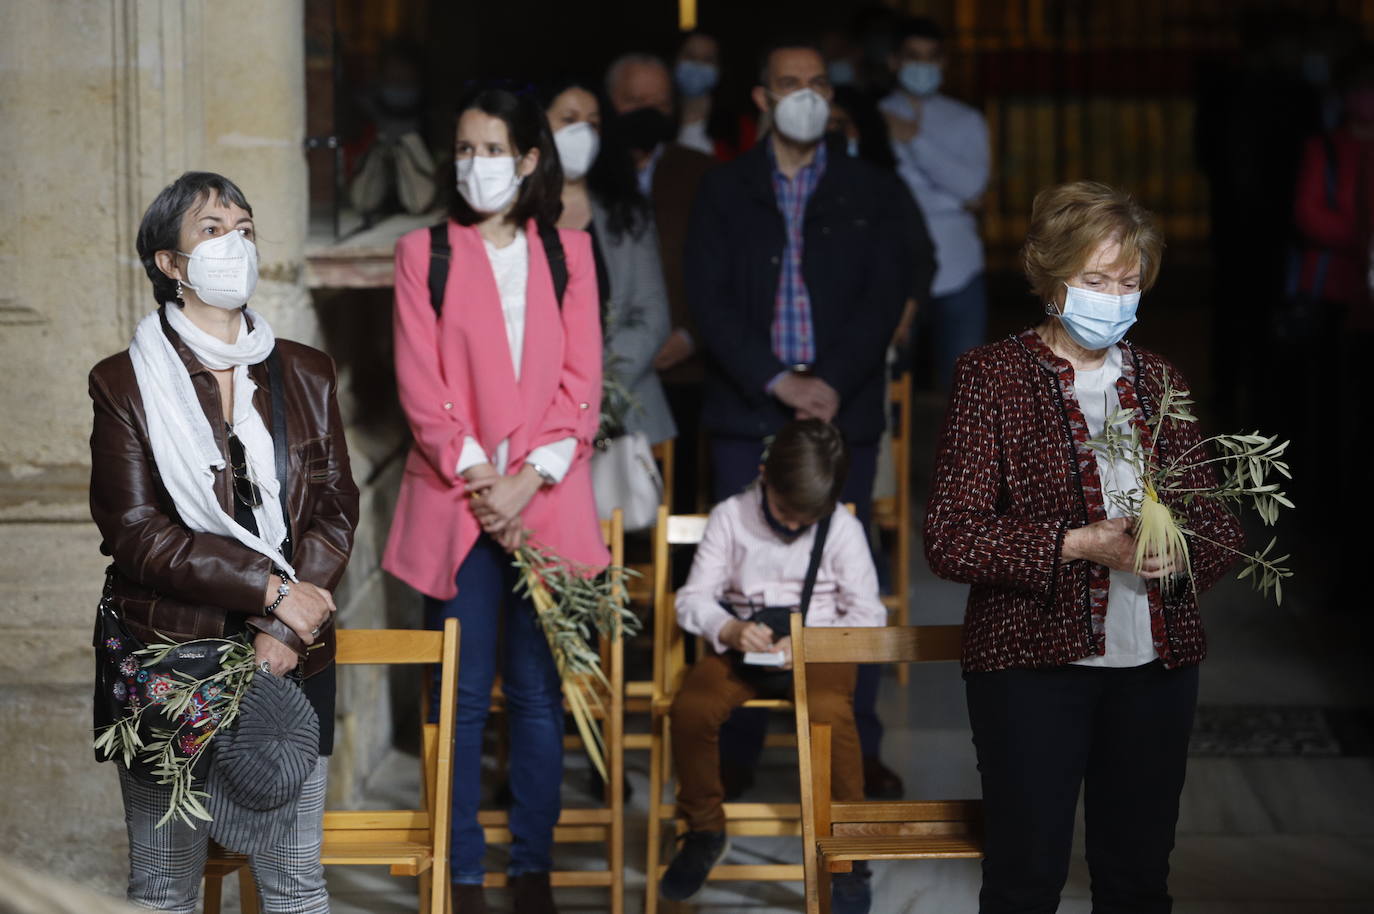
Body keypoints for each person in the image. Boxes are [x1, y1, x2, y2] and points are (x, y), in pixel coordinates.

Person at [924, 181, 1246, 914]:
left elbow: (1222, 531)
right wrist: (1076, 544)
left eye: (1127, 282)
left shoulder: (1161, 382)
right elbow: (950, 537)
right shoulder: (991, 378)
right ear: (1049, 278)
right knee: (1026, 879)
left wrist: (1180, 552)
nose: (1114, 296)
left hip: (1156, 667)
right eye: (1095, 280)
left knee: (1137, 880)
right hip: (1031, 667)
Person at [89, 171, 359, 913]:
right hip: (168, 654)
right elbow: (137, 535)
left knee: (295, 885)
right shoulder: (124, 384)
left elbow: (334, 507)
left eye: (243, 227)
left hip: (290, 659)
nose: (234, 243)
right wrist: (272, 591)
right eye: (211, 230)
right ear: (169, 264)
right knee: (164, 889)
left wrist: (284, 628)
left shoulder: (306, 372)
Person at [382, 87, 606, 914]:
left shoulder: (568, 255)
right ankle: (466, 875)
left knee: (538, 695)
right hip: (460, 504)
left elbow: (582, 384)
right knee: (462, 695)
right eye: (465, 149)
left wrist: (527, 480)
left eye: (492, 149)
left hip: (542, 499)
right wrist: (485, 481)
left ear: (530, 160)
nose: (476, 165)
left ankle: (532, 870)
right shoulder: (424, 253)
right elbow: (421, 385)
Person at [687, 36, 923, 798]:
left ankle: (860, 742)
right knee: (738, 582)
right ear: (760, 96)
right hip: (747, 410)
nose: (807, 94)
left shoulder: (872, 189)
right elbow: (708, 300)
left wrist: (828, 382)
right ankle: (738, 747)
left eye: (819, 81)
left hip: (841, 414)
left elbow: (882, 296)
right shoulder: (725, 190)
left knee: (847, 584)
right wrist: (779, 381)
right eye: (790, 82)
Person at [661, 419, 885, 913]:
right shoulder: (731, 517)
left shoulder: (842, 528)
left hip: (818, 650)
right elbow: (692, 598)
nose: (790, 526)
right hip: (744, 643)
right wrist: (728, 629)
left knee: (831, 714)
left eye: (805, 520)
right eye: (785, 512)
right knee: (691, 709)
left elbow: (869, 614)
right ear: (764, 475)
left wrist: (809, 644)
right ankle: (704, 830)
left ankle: (848, 856)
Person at [605, 51, 715, 509]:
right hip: (607, 369)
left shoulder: (703, 173)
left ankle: (682, 578)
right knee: (605, 500)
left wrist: (691, 335)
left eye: (660, 103)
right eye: (635, 101)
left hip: (684, 365)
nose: (648, 112)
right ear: (610, 103)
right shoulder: (589, 173)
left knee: (679, 497)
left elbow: (723, 268)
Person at [543, 77, 676, 451]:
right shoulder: (512, 217)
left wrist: (589, 385)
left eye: (593, 122)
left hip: (622, 418)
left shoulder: (626, 212)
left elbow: (653, 316)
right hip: (531, 414)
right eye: (568, 119)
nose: (582, 131)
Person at [880, 16, 991, 390]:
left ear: (943, 64)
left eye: (931, 57)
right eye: (913, 56)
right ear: (894, 61)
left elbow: (972, 185)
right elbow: (884, 192)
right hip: (893, 265)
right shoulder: (874, 116)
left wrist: (913, 139)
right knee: (888, 385)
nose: (922, 66)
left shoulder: (967, 120)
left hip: (959, 266)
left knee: (963, 390)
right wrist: (954, 194)